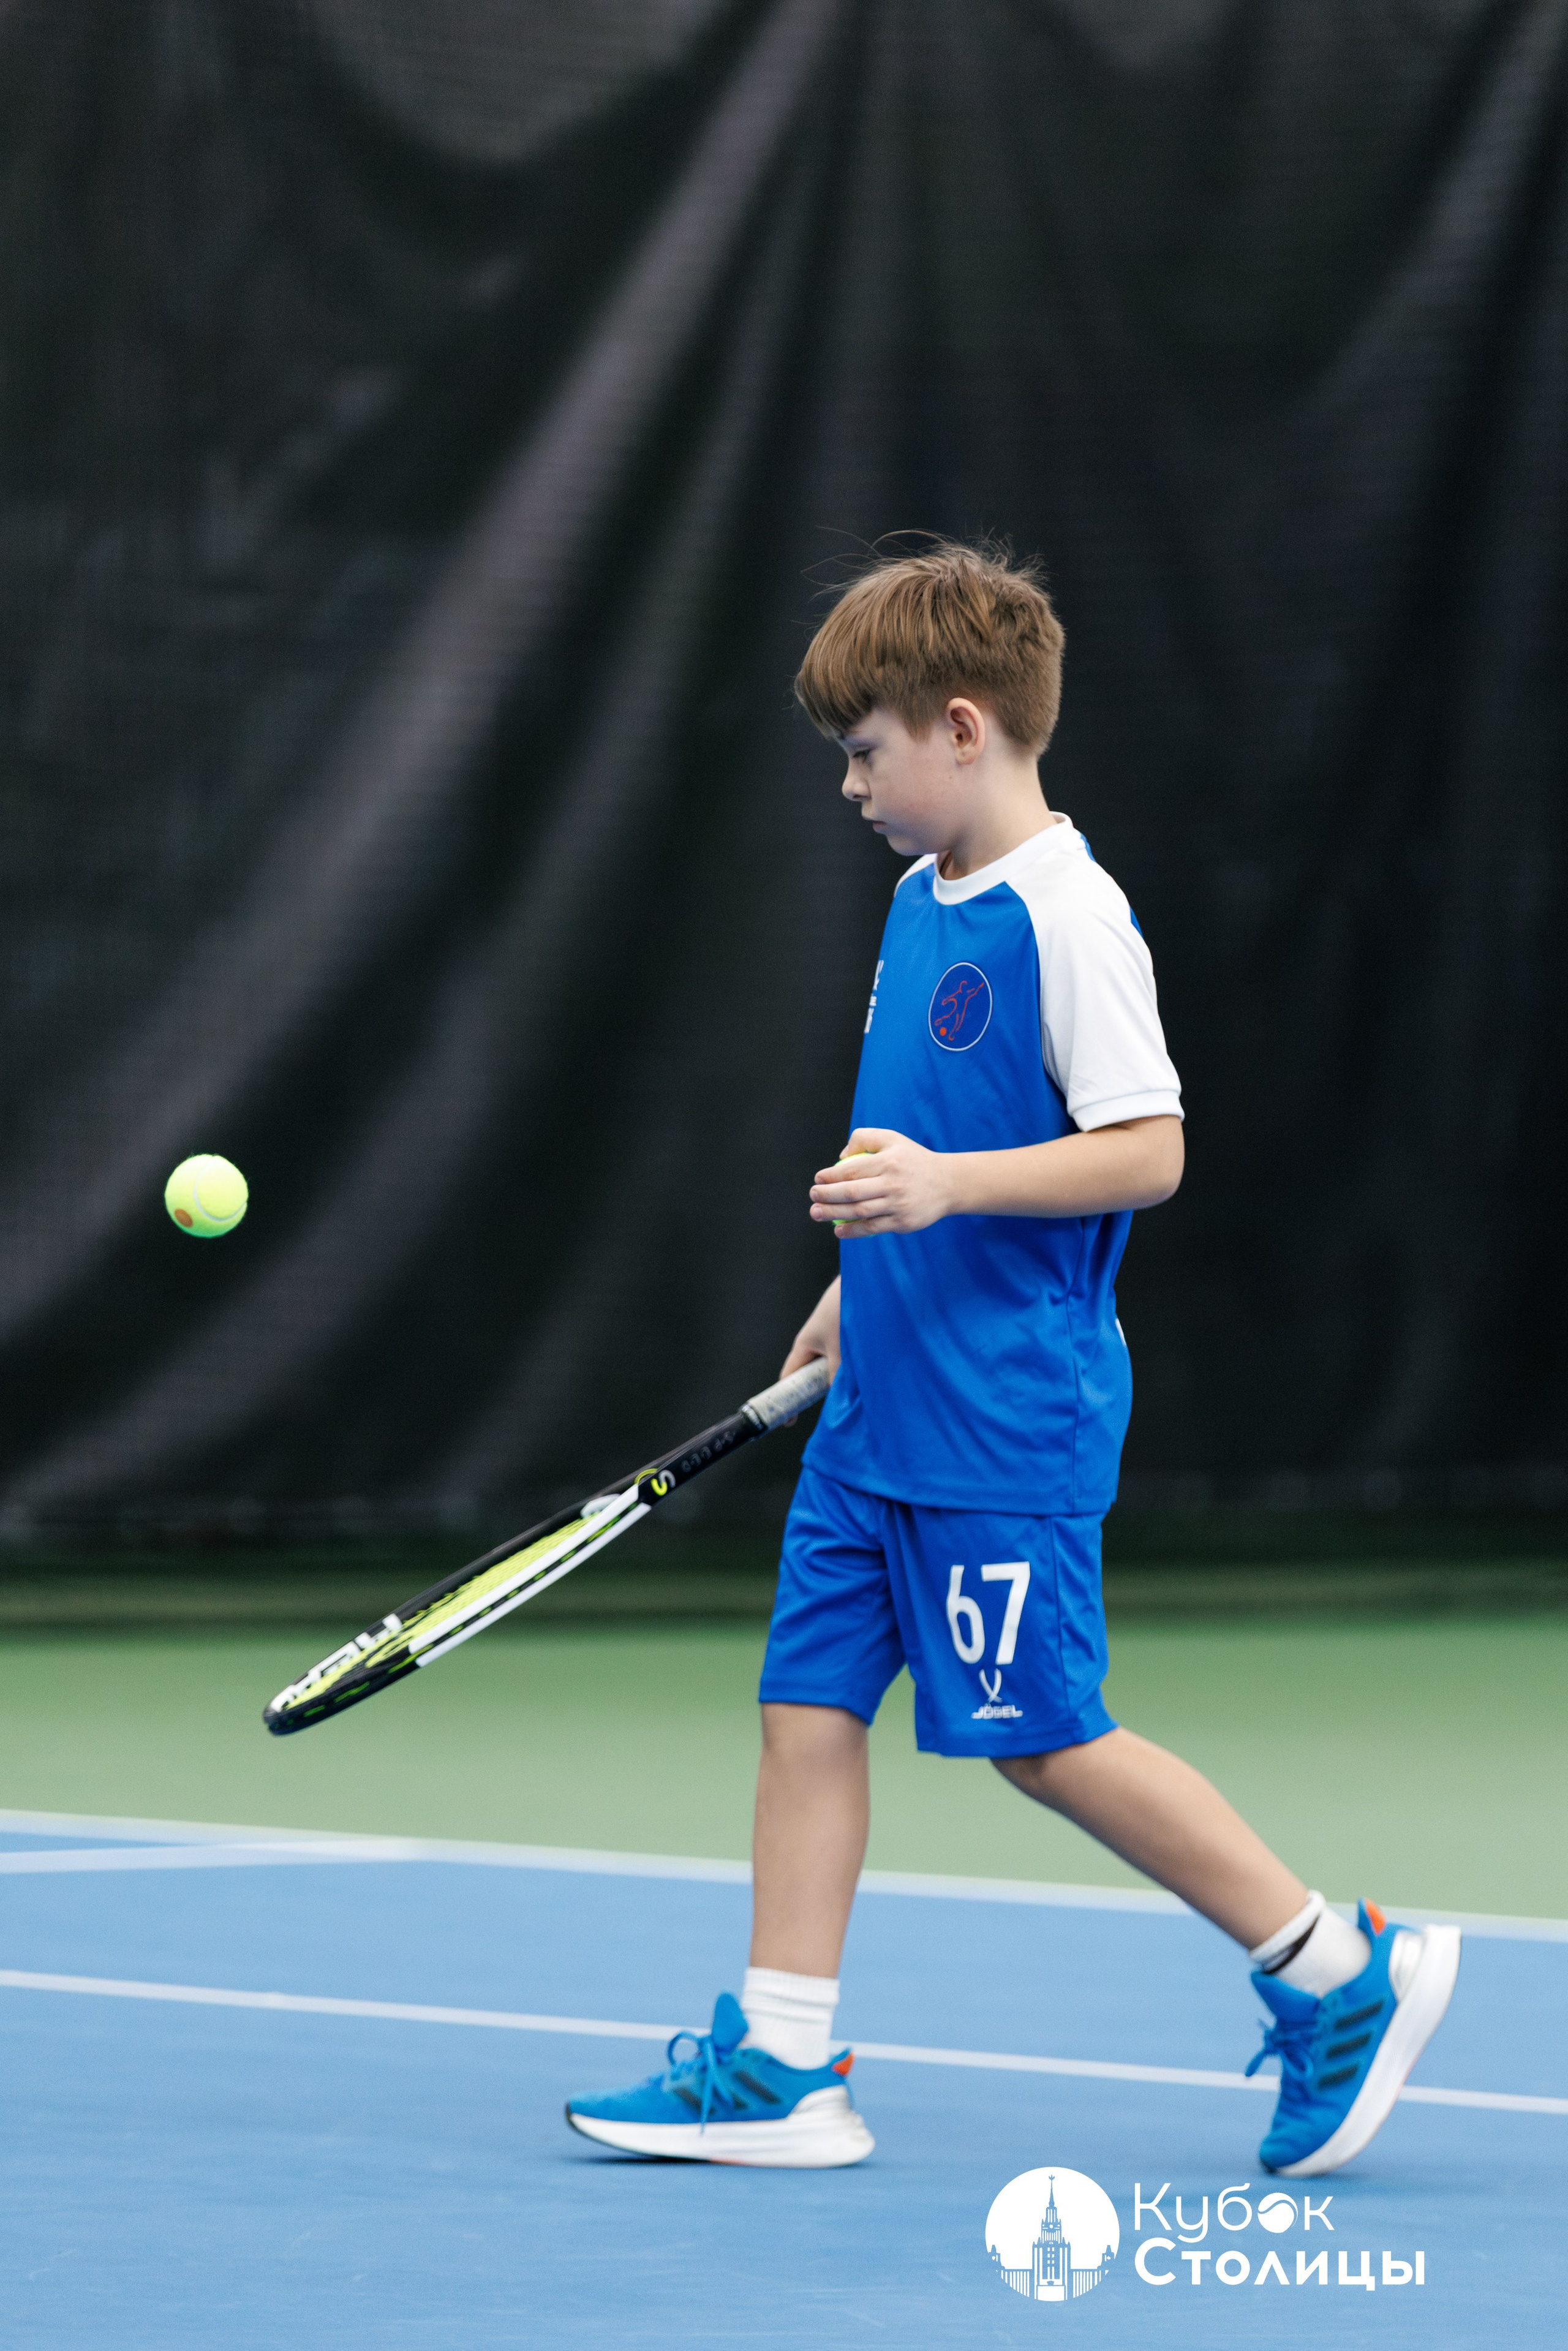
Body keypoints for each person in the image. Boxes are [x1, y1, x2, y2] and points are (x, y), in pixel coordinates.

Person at [566, 541, 1458, 2176]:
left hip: (1002, 1421)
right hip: (879, 1404)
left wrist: (947, 1193)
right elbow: (915, 1135)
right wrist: (862, 1278)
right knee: (805, 1707)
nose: (851, 787)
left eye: (864, 751)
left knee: (1044, 1738)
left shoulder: (1074, 917)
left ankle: (1340, 1970)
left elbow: (1148, 1150)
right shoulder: (921, 902)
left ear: (961, 728)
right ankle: (781, 2063)